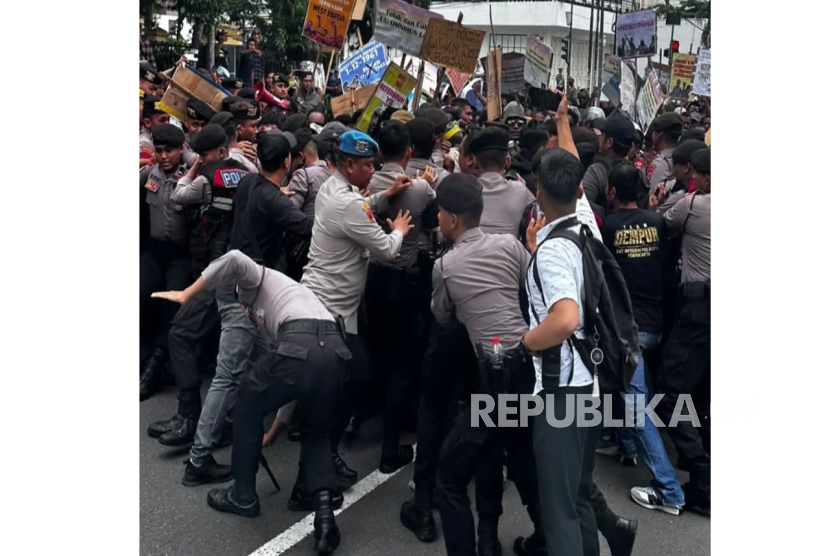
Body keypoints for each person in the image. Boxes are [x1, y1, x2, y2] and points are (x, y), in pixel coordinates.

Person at [151, 249, 348, 554]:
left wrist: (186, 293)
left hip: (303, 342)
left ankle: (243, 494)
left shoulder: (256, 276)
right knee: (316, 430)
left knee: (245, 401)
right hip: (334, 347)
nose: (243, 308)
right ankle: (324, 522)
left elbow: (233, 258)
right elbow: (293, 378)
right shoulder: (290, 293)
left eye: (241, 302)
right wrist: (275, 427)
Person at [430, 173, 547, 556]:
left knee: (451, 474)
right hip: (525, 366)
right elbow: (529, 286)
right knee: (517, 453)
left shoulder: (446, 266)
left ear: (451, 219)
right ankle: (541, 537)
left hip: (492, 372)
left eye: (440, 213)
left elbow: (444, 317)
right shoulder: (510, 246)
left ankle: (477, 546)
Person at [300, 130, 415, 494]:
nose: (372, 171)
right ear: (347, 164)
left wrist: (385, 195)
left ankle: (323, 459)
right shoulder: (346, 202)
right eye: (366, 166)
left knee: (346, 385)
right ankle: (317, 471)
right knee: (349, 383)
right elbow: (385, 249)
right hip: (330, 309)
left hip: (336, 305)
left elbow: (362, 208)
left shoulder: (337, 191)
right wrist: (398, 229)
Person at [601, 162, 686, 516]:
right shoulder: (658, 224)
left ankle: (669, 490)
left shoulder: (607, 228)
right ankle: (626, 445)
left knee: (636, 406)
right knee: (632, 390)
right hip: (655, 325)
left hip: (626, 330)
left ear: (610, 194)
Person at [365, 121, 438, 473]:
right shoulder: (421, 188)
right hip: (405, 283)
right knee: (401, 364)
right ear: (408, 152)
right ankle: (391, 445)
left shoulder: (365, 185)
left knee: (376, 350)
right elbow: (433, 227)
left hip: (372, 280)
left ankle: (372, 417)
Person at [655, 148, 711, 517]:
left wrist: (656, 200)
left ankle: (704, 480)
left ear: (701, 176)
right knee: (704, 392)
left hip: (697, 306)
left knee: (669, 396)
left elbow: (662, 225)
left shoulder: (692, 205)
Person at [139, 125, 192, 400]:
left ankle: (156, 367)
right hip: (154, 249)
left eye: (168, 150)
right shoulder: (150, 174)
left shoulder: (190, 175)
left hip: (180, 255)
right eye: (158, 150)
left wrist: (188, 158)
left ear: (180, 149)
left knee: (172, 308)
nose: (162, 156)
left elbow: (201, 160)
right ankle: (142, 357)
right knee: (140, 299)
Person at [469, 126, 535, 237]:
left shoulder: (463, 190)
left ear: (475, 161)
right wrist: (521, 189)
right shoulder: (520, 191)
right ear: (508, 162)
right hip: (510, 253)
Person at [581, 113, 638, 216]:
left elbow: (583, 205)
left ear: (609, 142)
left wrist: (606, 217)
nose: (599, 137)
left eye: (602, 134)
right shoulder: (638, 173)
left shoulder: (596, 172)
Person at [647, 112, 683, 195]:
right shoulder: (680, 157)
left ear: (659, 134)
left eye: (654, 131)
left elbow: (651, 196)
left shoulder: (660, 163)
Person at [140, 96, 170, 167]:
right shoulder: (145, 142)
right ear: (147, 123)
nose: (167, 124)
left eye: (168, 119)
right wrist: (148, 161)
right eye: (162, 120)